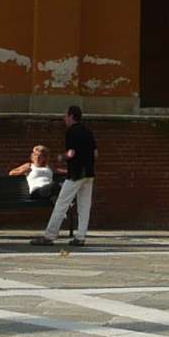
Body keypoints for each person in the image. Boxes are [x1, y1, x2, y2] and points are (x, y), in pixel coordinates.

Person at [32, 105, 96, 248]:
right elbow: (95, 153)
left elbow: (71, 153)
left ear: (72, 116)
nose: (64, 118)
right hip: (89, 173)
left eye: (66, 115)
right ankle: (80, 237)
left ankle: (49, 235)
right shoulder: (88, 132)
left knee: (61, 203)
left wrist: (62, 157)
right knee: (84, 206)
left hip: (76, 173)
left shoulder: (71, 132)